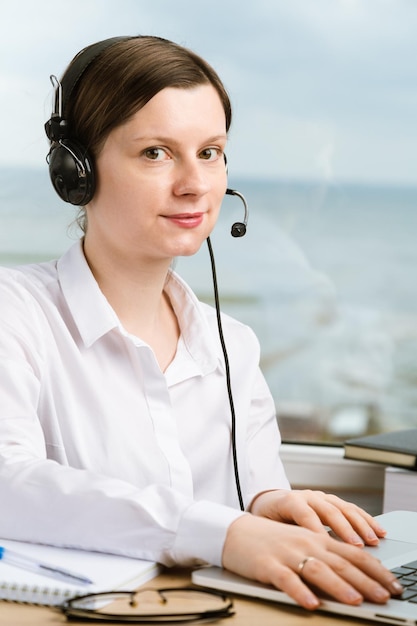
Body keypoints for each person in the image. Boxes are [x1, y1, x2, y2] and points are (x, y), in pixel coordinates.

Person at [0, 35, 402, 611]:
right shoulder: (14, 312)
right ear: (75, 173)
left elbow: (251, 497)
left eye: (210, 152)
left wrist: (267, 506)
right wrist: (224, 533)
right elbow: (7, 483)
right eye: (156, 153)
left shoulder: (231, 345)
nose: (195, 184)